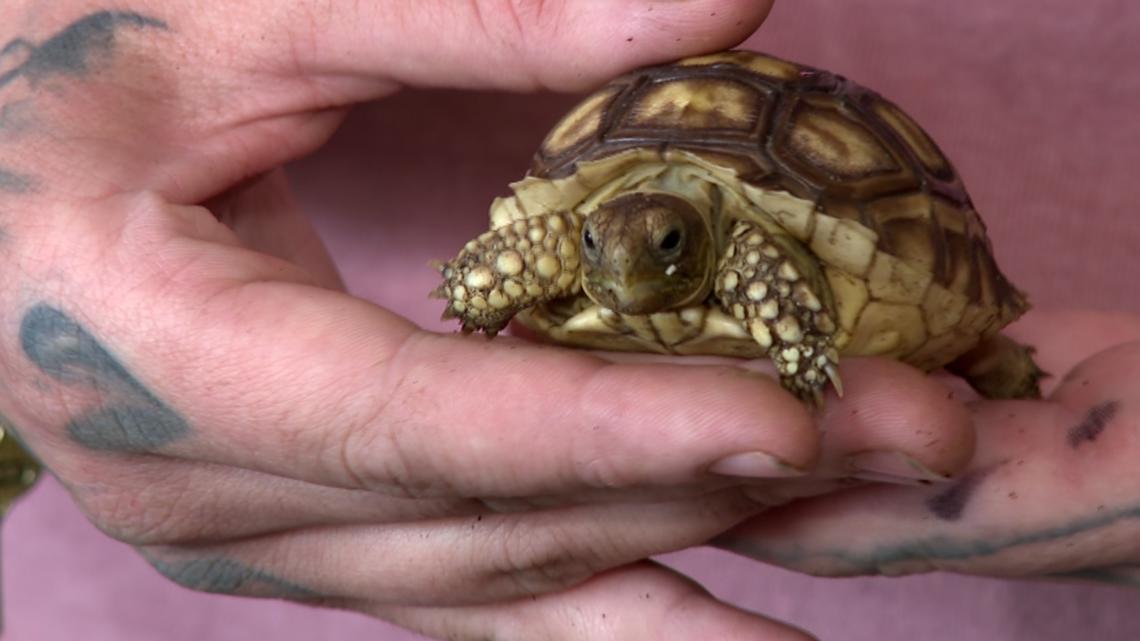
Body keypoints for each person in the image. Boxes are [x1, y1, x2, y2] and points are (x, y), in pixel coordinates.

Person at [0, 1, 1134, 640]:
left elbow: (735, 249)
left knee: (952, 372)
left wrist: (800, 345)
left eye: (667, 250)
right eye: (596, 248)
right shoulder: (582, 234)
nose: (627, 272)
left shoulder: (746, 240)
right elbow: (544, 244)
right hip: (263, 519)